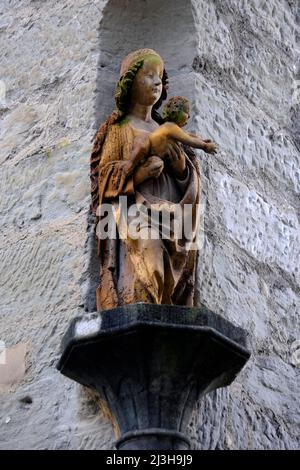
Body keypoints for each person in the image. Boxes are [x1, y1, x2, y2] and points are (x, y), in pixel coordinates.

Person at [90, 49, 213, 311]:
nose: (156, 83)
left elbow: (192, 182)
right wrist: (141, 174)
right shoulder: (118, 130)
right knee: (150, 263)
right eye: (148, 76)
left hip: (172, 215)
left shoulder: (168, 131)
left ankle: (168, 312)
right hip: (136, 212)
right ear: (129, 84)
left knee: (170, 269)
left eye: (159, 77)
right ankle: (143, 309)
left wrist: (180, 166)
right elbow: (105, 179)